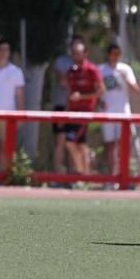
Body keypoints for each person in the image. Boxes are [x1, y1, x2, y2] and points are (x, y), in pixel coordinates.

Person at [61, 38, 105, 177]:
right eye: (73, 53)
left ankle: (82, 172)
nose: (75, 56)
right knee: (80, 144)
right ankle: (85, 173)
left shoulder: (92, 70)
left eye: (78, 53)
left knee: (70, 142)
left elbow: (100, 91)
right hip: (72, 113)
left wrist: (82, 97)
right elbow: (69, 93)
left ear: (85, 53)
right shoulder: (71, 72)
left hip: (85, 112)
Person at [98, 43, 140, 178]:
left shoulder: (125, 69)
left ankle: (124, 175)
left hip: (123, 112)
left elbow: (136, 89)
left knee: (124, 144)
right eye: (113, 54)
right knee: (110, 145)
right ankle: (112, 176)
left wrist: (125, 78)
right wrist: (100, 102)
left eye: (118, 54)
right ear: (108, 54)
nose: (115, 57)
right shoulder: (101, 70)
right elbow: (96, 91)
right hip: (108, 112)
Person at [0, 40, 25, 173]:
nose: (3, 53)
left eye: (6, 50)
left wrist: (20, 115)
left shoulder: (16, 72)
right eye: (1, 50)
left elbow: (19, 95)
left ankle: (2, 177)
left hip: (8, 116)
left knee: (5, 149)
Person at [50, 34, 81, 176]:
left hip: (77, 108)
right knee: (60, 141)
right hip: (62, 106)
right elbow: (62, 81)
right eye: (74, 46)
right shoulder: (61, 62)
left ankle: (73, 176)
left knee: (74, 142)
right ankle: (58, 176)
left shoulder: (85, 65)